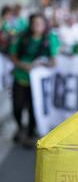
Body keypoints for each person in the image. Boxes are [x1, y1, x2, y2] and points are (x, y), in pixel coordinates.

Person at [9, 13, 59, 147]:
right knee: (17, 106)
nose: (37, 26)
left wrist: (40, 64)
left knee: (33, 108)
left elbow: (53, 62)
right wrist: (22, 65)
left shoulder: (49, 39)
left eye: (40, 23)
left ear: (44, 25)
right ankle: (20, 127)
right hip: (20, 77)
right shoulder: (22, 37)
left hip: (37, 83)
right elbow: (13, 55)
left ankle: (30, 134)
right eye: (34, 23)